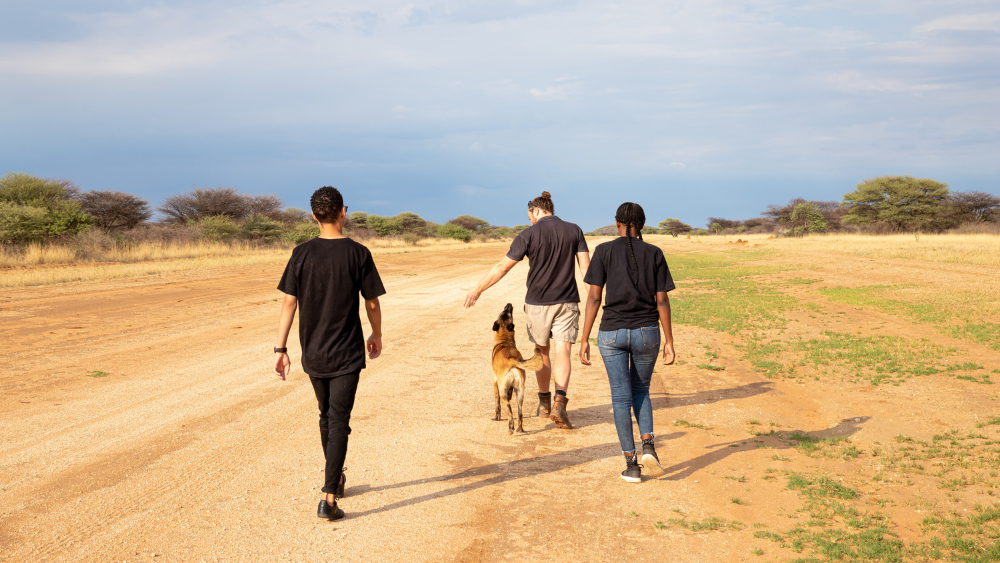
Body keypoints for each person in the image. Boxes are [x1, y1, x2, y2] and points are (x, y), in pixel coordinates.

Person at [273, 186, 385, 521]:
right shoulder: (358, 253)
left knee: (327, 416)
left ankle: (334, 477)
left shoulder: (301, 253)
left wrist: (281, 349)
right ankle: (329, 498)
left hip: (314, 352)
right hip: (347, 352)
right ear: (342, 213)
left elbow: (289, 302)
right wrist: (376, 334)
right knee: (338, 421)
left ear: (313, 215)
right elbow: (373, 301)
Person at [464, 191, 590, 429]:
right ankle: (559, 403)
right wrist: (595, 298)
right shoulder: (574, 230)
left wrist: (478, 289)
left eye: (529, 215)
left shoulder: (528, 234)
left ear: (536, 210)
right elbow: (587, 269)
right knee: (563, 351)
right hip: (567, 301)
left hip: (537, 303)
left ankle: (544, 403)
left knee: (542, 351)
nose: (529, 220)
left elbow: (503, 267)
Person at [580, 202, 676, 482]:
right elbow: (662, 300)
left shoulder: (604, 251)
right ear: (642, 225)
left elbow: (595, 298)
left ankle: (631, 464)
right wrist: (669, 340)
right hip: (647, 331)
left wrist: (584, 338)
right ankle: (648, 445)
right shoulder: (655, 253)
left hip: (612, 334)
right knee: (641, 390)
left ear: (617, 223)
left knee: (620, 398)